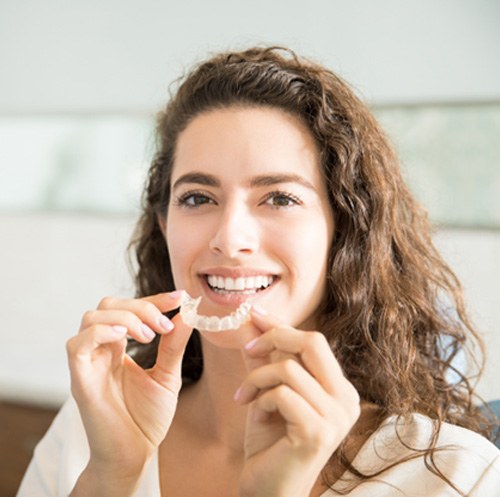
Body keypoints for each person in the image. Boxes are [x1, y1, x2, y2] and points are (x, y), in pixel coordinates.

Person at [17, 46, 500, 496]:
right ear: (164, 226)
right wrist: (110, 477)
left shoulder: (457, 476)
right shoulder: (91, 430)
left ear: (346, 230)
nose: (229, 237)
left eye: (280, 198)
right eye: (198, 198)